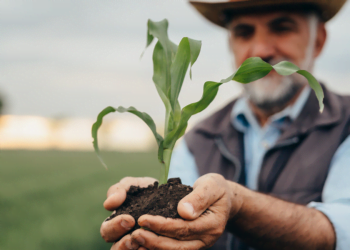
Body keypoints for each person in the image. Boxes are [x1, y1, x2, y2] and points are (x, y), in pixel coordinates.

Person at [100, 0, 350, 249]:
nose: (261, 50)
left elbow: (344, 227)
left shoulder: (344, 124)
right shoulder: (199, 139)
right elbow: (181, 222)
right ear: (231, 43)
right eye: (244, 32)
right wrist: (152, 225)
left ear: (318, 40)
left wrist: (238, 205)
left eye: (281, 28)